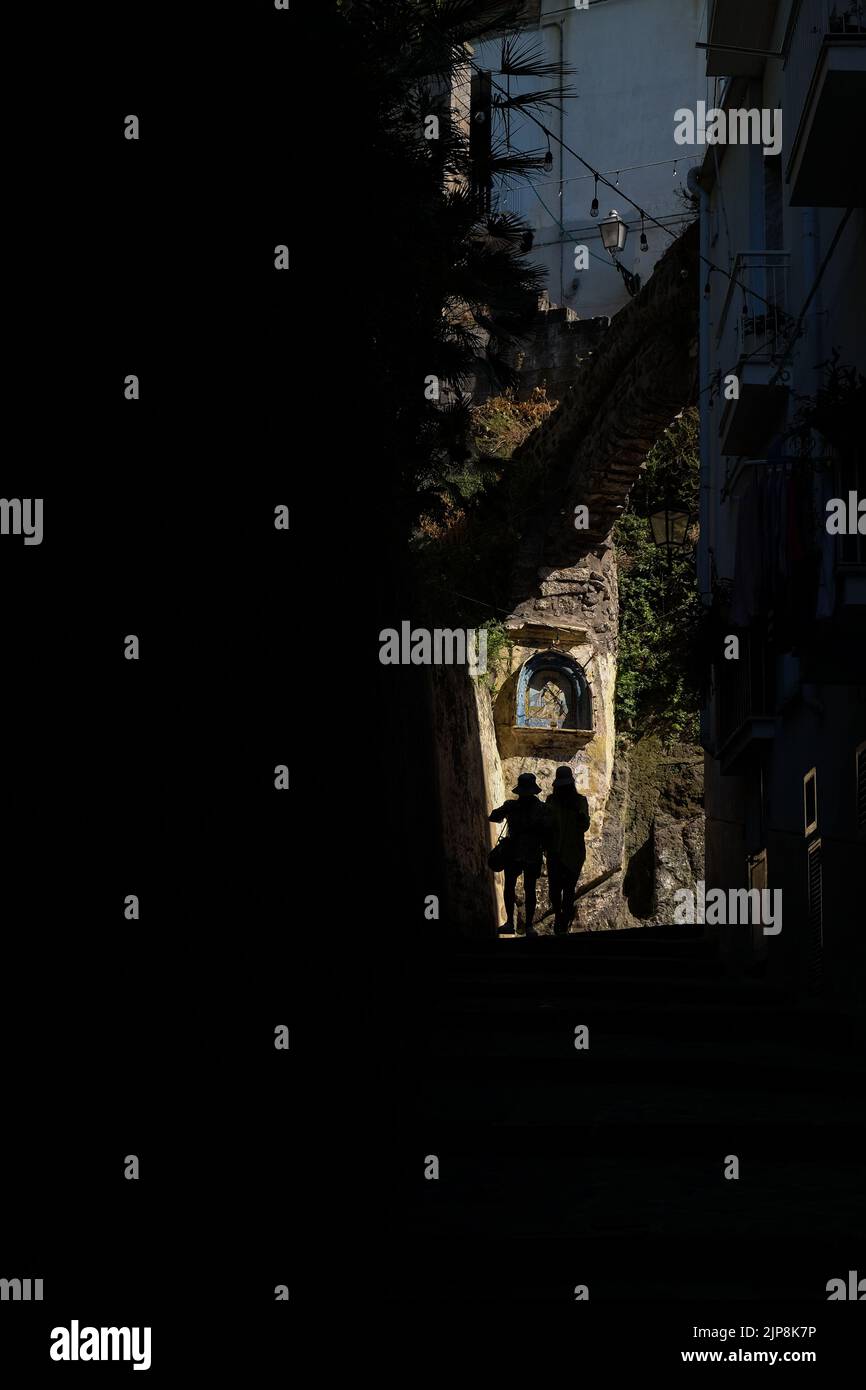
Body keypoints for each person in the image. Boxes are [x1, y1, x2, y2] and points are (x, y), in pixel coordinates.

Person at [489, 772, 549, 936]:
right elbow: (547, 832)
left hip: (514, 853)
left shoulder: (512, 806)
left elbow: (493, 817)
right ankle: (528, 926)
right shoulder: (542, 808)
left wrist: (506, 812)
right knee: (528, 889)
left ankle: (511, 923)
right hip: (530, 853)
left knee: (511, 887)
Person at [545, 765, 590, 934]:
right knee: (555, 889)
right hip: (557, 852)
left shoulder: (580, 801)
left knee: (568, 889)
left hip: (572, 852)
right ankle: (559, 917)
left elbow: (585, 825)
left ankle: (563, 920)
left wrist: (579, 815)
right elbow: (546, 823)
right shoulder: (551, 801)